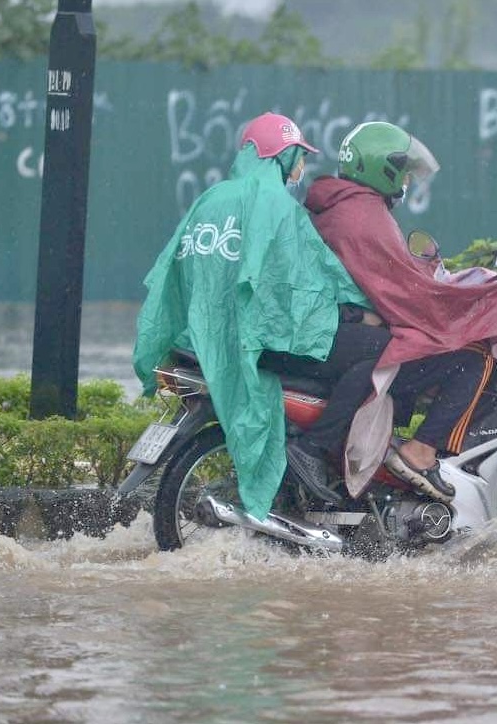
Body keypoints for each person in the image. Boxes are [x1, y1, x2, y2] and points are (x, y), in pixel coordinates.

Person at [132, 112, 377, 522]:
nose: (302, 167)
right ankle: (315, 453)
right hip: (260, 340)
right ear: (281, 157)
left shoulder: (210, 200)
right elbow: (313, 278)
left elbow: (169, 273)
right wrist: (358, 307)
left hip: (202, 339)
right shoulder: (277, 206)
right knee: (380, 354)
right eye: (298, 157)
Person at [305, 121, 497, 503]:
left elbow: (390, 278)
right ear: (383, 167)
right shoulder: (364, 216)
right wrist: (475, 298)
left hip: (331, 328)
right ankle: (420, 452)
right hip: (337, 333)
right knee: (469, 359)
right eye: (404, 171)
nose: (408, 180)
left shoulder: (342, 204)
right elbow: (408, 296)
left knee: (404, 348)